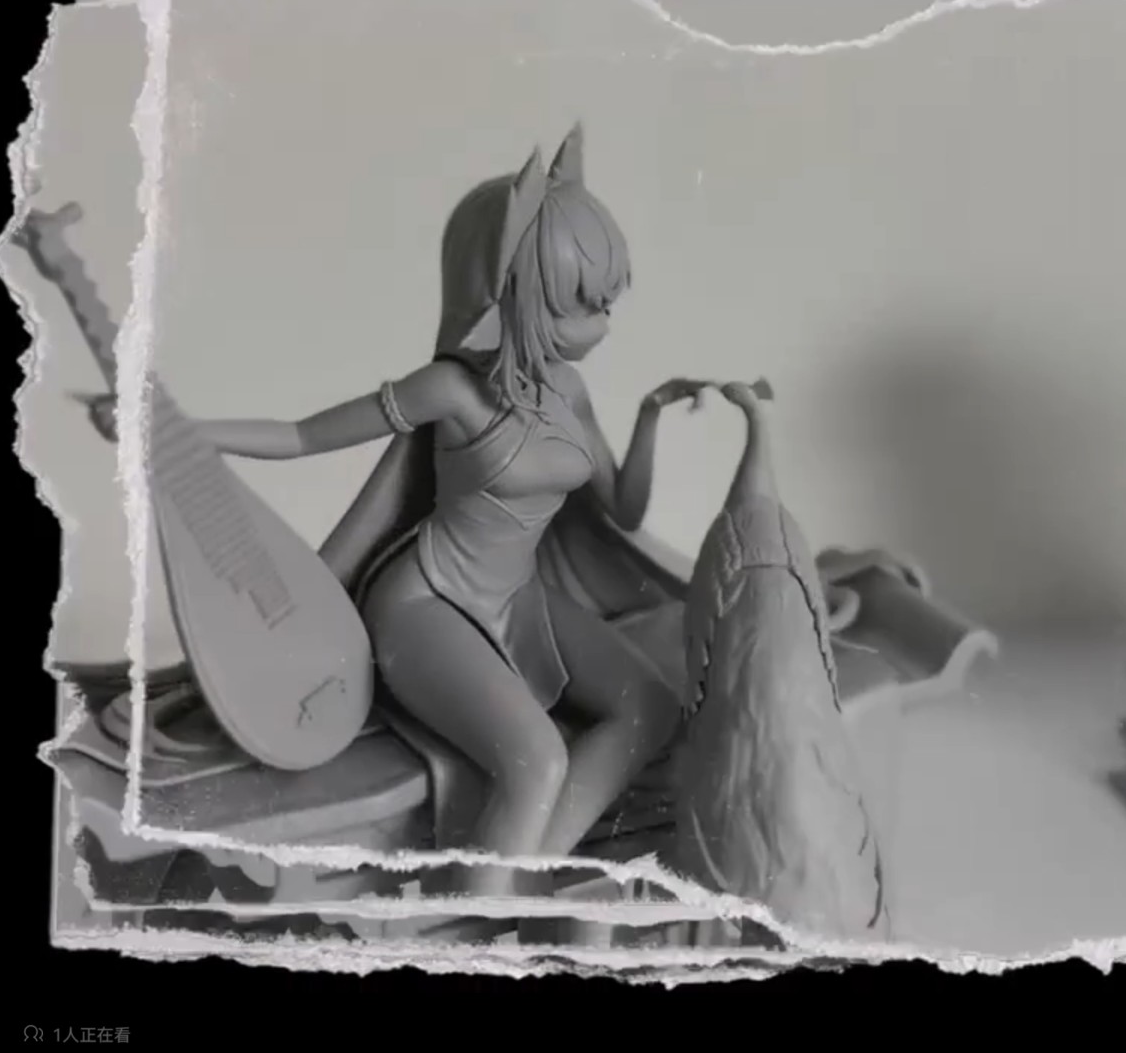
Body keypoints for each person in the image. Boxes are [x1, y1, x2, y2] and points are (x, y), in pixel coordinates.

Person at [84, 124, 706, 897]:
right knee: (537, 760)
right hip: (426, 604)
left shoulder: (568, 393)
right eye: (579, 305)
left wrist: (649, 417)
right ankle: (486, 916)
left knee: (650, 706)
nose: (601, 324)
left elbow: (624, 509)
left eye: (605, 303)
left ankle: (513, 875)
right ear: (517, 293)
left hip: (518, 600)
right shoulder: (452, 391)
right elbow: (303, 435)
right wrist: (177, 426)